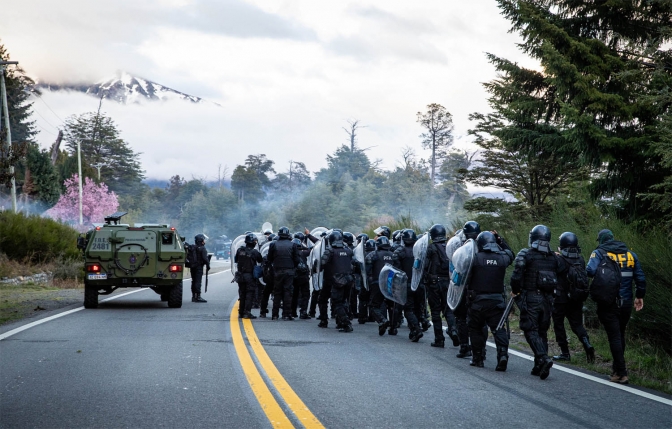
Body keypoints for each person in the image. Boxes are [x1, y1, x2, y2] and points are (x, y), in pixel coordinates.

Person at [586, 229, 646, 384]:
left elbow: (590, 271)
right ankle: (616, 369)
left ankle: (621, 373)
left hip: (608, 302)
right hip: (626, 302)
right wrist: (639, 296)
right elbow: (640, 277)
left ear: (601, 241)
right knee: (620, 334)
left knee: (614, 336)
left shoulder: (599, 253)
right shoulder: (630, 255)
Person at [510, 225, 563, 380]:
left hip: (532, 298)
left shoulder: (526, 254)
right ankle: (538, 365)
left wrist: (516, 290)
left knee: (529, 329)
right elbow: (561, 270)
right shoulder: (554, 257)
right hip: (548, 299)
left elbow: (516, 274)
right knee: (542, 331)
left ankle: (543, 358)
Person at [466, 231, 514, 370]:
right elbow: (511, 253)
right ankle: (503, 355)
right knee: (499, 329)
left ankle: (478, 358)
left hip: (477, 301)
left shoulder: (474, 258)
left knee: (475, 329)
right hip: (496, 301)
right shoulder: (502, 258)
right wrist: (500, 240)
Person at [552, 232, 594, 363]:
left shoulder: (558, 259)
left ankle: (565, 353)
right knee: (577, 324)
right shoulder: (580, 259)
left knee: (558, 324)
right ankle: (587, 344)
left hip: (560, 299)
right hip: (576, 298)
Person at [446, 221, 482, 356]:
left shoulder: (459, 248)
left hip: (463, 287)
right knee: (477, 321)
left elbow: (455, 270)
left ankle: (465, 346)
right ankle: (480, 351)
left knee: (461, 318)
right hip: (477, 289)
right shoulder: (482, 246)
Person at [422, 224, 453, 348]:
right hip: (448, 282)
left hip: (434, 284)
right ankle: (453, 330)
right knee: (448, 310)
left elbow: (424, 266)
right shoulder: (451, 247)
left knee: (435, 311)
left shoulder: (431, 248)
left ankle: (439, 339)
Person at [319, 230, 355, 332]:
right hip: (348, 280)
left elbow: (322, 263)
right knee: (343, 302)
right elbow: (354, 263)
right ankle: (340, 323)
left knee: (331, 301)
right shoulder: (348, 250)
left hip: (333, 280)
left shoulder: (330, 251)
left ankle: (327, 321)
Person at [392, 228, 423, 342]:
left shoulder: (399, 252)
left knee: (408, 309)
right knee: (418, 308)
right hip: (419, 284)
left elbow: (396, 270)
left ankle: (416, 329)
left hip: (406, 284)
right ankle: (414, 330)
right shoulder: (420, 251)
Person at [268, 226, 299, 320]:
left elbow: (269, 258)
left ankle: (275, 314)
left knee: (277, 292)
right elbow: (297, 259)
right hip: (289, 271)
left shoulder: (273, 244)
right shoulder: (293, 245)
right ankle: (287, 314)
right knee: (288, 293)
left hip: (277, 271)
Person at [365, 236, 395, 335]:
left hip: (377, 284)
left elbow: (367, 270)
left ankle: (382, 321)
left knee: (374, 306)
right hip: (391, 283)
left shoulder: (373, 255)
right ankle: (393, 328)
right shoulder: (394, 255)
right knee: (392, 306)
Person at [234, 233, 263, 318]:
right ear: (253, 242)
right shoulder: (254, 252)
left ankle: (241, 312)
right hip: (249, 276)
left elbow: (236, 260)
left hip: (240, 276)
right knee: (249, 294)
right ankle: (247, 312)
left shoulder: (239, 250)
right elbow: (260, 260)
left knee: (242, 294)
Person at [291, 237, 312, 319]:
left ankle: (293, 312)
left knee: (294, 295)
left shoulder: (291, 253)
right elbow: (310, 250)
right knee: (305, 295)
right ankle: (303, 312)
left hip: (294, 277)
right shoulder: (304, 252)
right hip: (303, 277)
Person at [190, 234, 210, 303]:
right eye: (203, 240)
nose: (204, 241)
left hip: (192, 267)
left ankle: (193, 296)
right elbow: (205, 258)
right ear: (200, 240)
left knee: (193, 281)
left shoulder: (193, 247)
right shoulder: (202, 248)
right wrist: (208, 265)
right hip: (199, 267)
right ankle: (198, 296)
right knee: (198, 281)